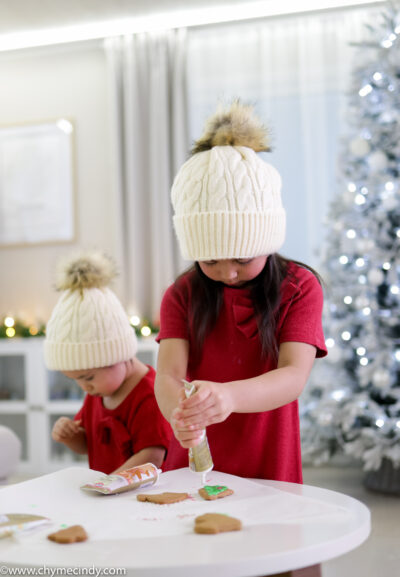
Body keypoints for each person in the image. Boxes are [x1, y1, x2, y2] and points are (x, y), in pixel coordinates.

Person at [154, 101, 327, 483]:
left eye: (242, 258)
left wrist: (229, 397)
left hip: (266, 454)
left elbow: (294, 376)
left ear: (267, 240)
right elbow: (167, 375)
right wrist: (176, 414)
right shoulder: (181, 294)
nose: (227, 272)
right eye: (210, 261)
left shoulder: (299, 287)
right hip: (195, 456)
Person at [44, 250, 171, 475]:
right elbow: (88, 446)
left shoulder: (150, 394)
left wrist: (110, 483)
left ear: (118, 356)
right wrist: (72, 437)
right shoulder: (98, 393)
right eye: (75, 380)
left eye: (88, 377)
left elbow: (153, 455)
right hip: (110, 495)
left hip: (140, 496)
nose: (84, 387)